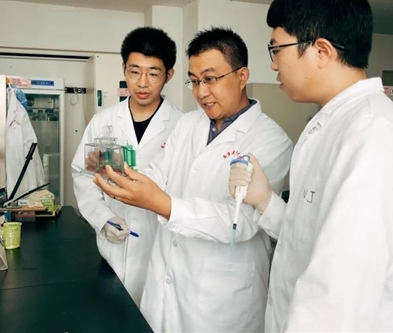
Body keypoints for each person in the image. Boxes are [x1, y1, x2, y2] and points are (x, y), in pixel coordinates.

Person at [228, 0, 393, 332]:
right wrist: (265, 200)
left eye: (276, 49)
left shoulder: (373, 132)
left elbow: (341, 291)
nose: (273, 63)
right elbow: (310, 240)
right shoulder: (334, 122)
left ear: (321, 51)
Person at [94, 27, 293, 332]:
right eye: (195, 81)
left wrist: (164, 205)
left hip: (218, 298)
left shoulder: (271, 140)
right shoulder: (188, 123)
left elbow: (240, 223)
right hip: (165, 280)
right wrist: (125, 181)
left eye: (210, 79)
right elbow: (159, 172)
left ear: (242, 76)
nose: (201, 92)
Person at [71, 26, 183, 305]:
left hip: (161, 249)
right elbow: (84, 176)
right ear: (124, 69)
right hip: (113, 249)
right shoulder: (103, 123)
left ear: (169, 75)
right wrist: (102, 218)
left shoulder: (183, 127)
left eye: (153, 73)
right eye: (134, 71)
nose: (142, 83)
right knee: (113, 314)